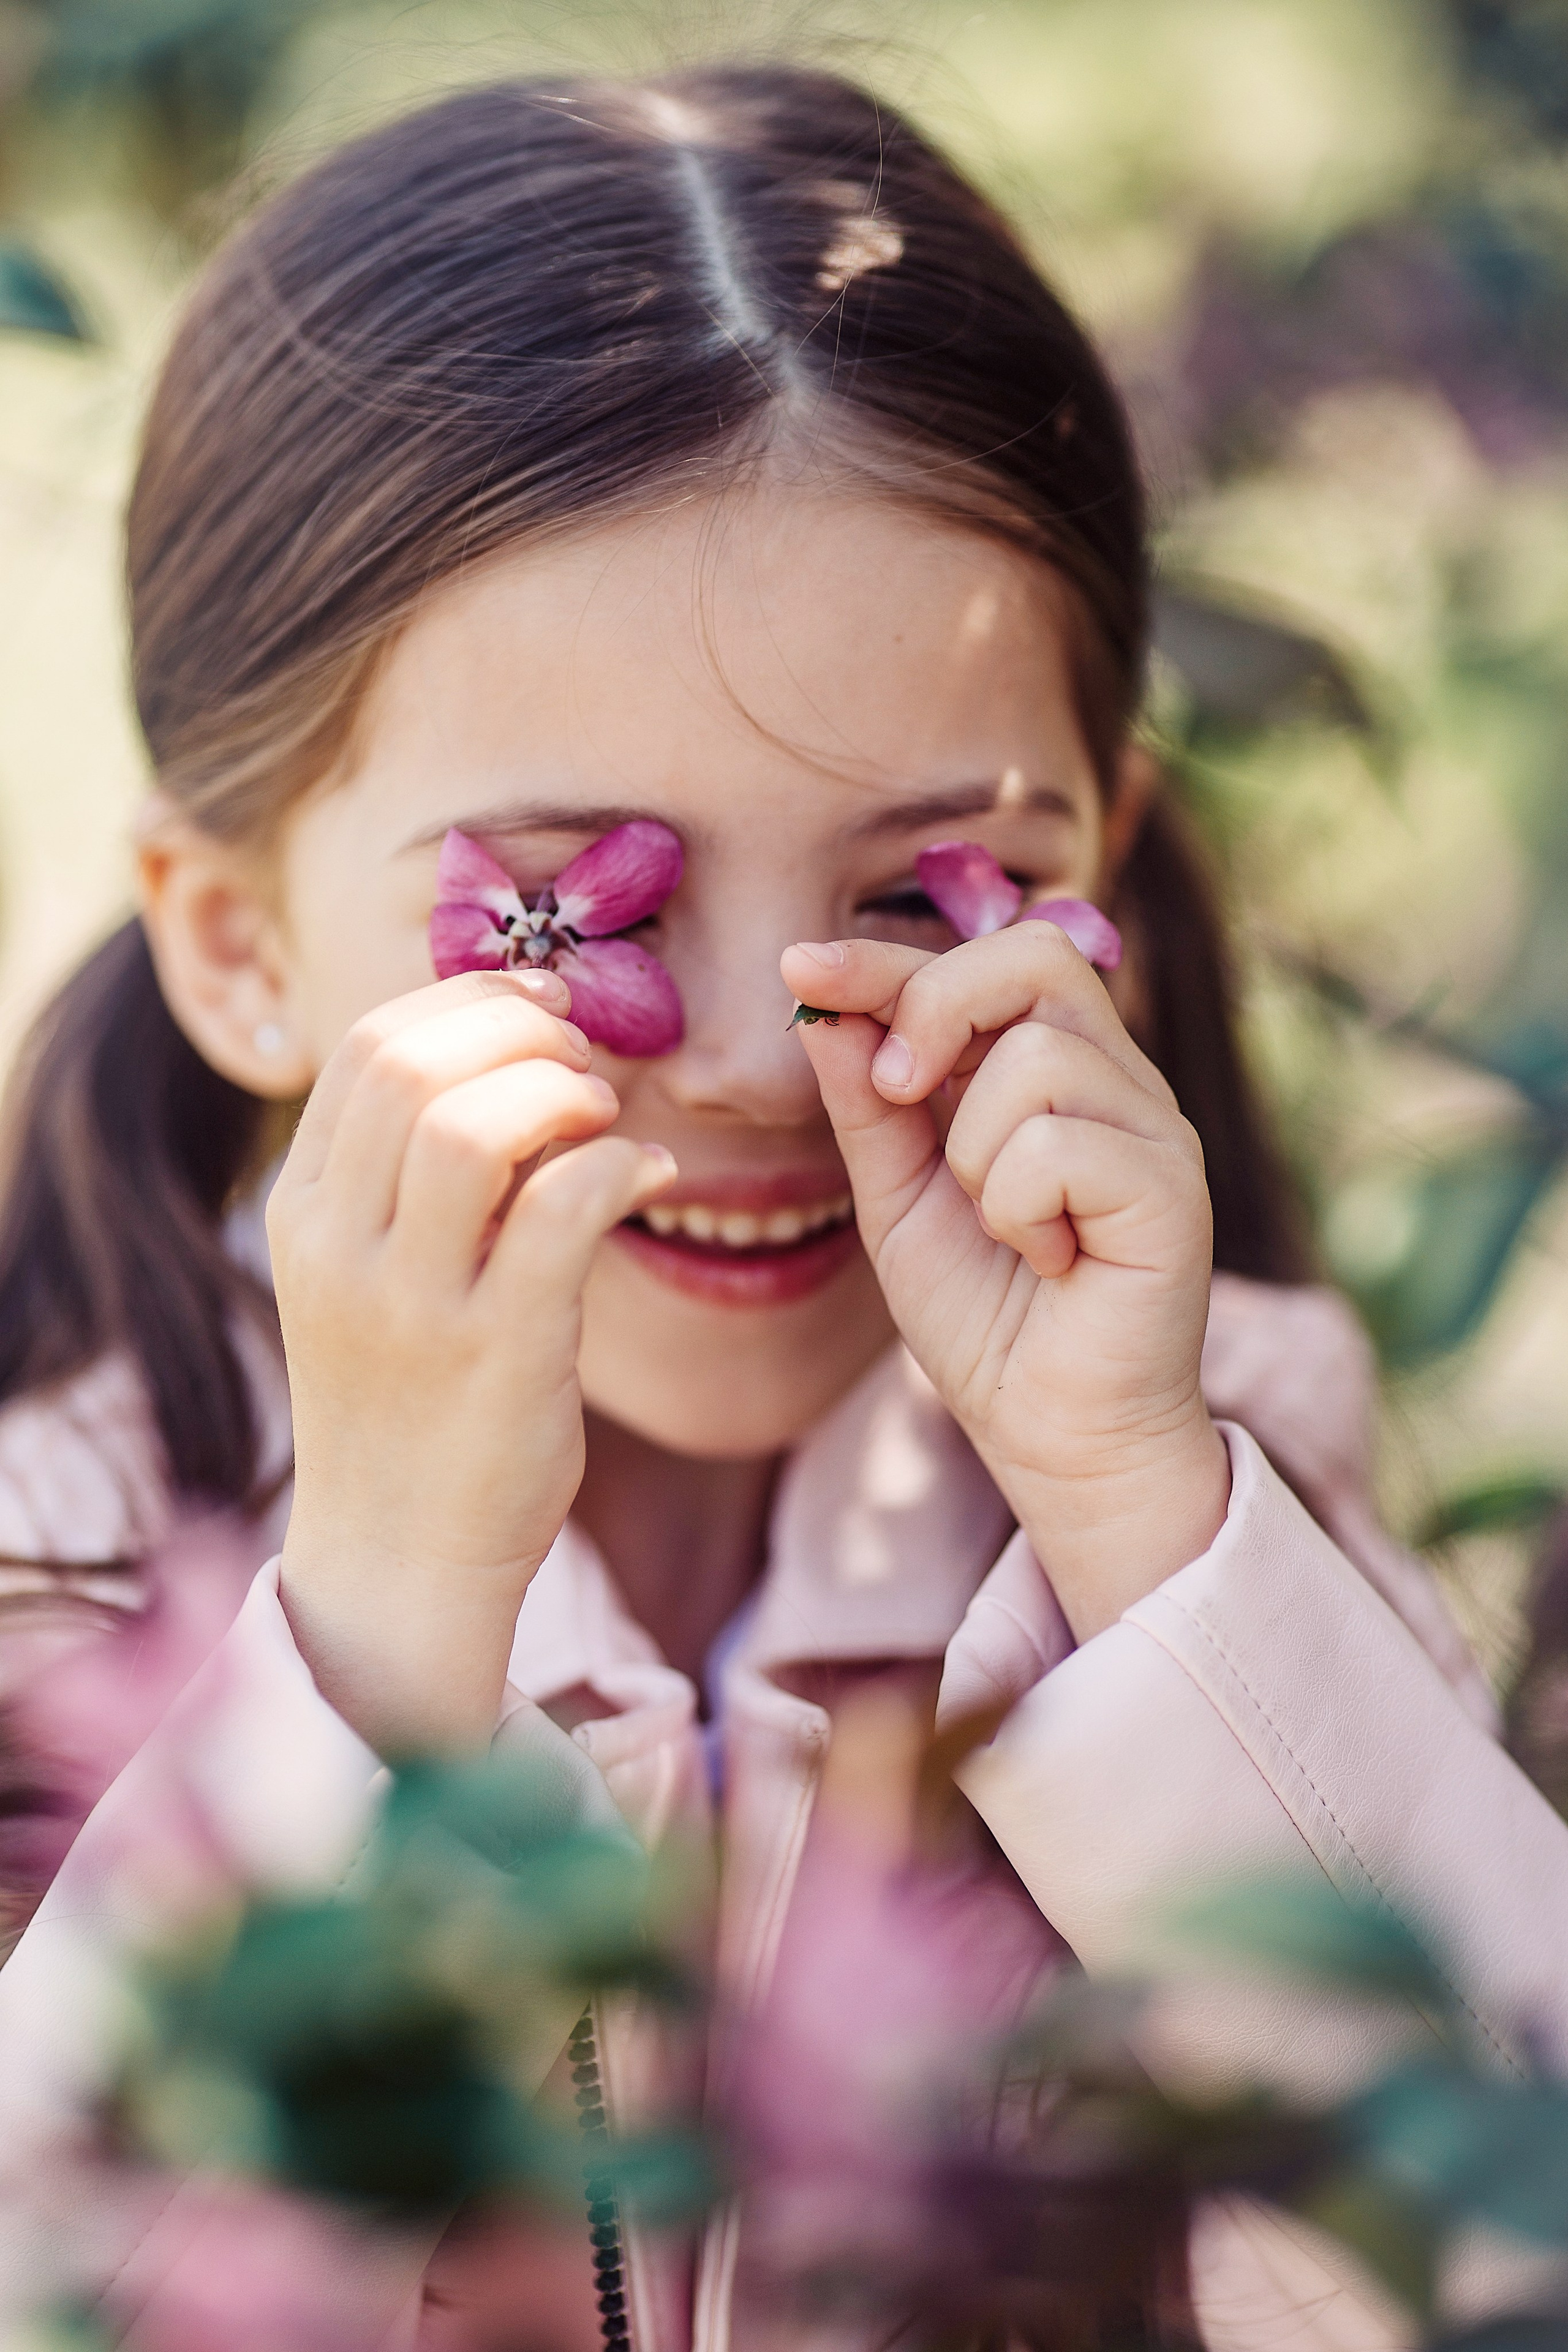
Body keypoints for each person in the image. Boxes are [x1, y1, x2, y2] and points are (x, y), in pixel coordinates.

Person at [0, 61, 1563, 2352]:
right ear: (233, 943)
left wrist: (1158, 1559)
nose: (751, 1059)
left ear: (1094, 874)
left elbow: (1509, 2261)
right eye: (553, 899)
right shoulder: (62, 1560)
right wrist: (377, 1644)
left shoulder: (1230, 1523)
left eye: (935, 889)